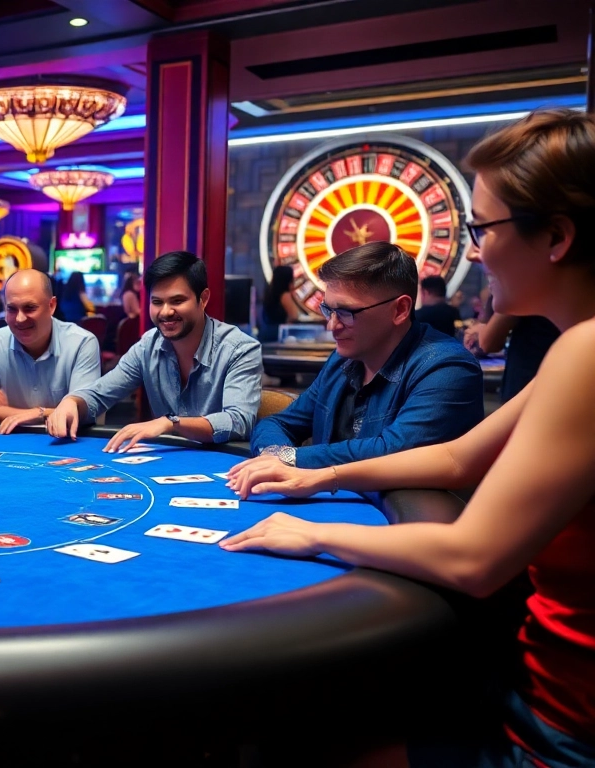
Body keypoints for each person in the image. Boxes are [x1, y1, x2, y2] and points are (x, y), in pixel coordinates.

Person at [225, 109, 595, 767]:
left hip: (562, 728)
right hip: (536, 691)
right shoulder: (573, 349)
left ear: (556, 237)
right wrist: (317, 476)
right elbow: (456, 459)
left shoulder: (584, 353)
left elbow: (474, 559)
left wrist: (312, 533)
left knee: (301, 746)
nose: (473, 252)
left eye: (482, 229)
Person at [248, 242, 483, 469]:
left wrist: (290, 458)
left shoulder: (449, 369)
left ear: (400, 309)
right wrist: (274, 456)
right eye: (328, 310)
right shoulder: (341, 361)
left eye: (345, 312)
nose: (332, 326)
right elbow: (278, 423)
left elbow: (390, 452)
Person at [47, 251, 262, 450]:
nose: (166, 312)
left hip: (226, 463)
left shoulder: (240, 349)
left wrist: (171, 423)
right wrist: (72, 402)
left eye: (177, 301)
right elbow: (99, 394)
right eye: (157, 302)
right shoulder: (147, 346)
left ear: (203, 299)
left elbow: (238, 421)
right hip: (168, 460)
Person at [0, 269, 101, 434]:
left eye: (30, 308)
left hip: (63, 441)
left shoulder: (81, 343)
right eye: (12, 309)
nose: (20, 319)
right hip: (10, 440)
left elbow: (84, 411)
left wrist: (32, 412)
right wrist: (46, 413)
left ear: (51, 306)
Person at [465, 295, 560, 404]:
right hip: (551, 378)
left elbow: (488, 342)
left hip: (528, 378)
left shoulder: (525, 291)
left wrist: (482, 326)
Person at [257, 264, 303, 342]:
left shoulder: (270, 293)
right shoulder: (285, 295)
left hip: (266, 334)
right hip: (278, 334)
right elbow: (294, 316)